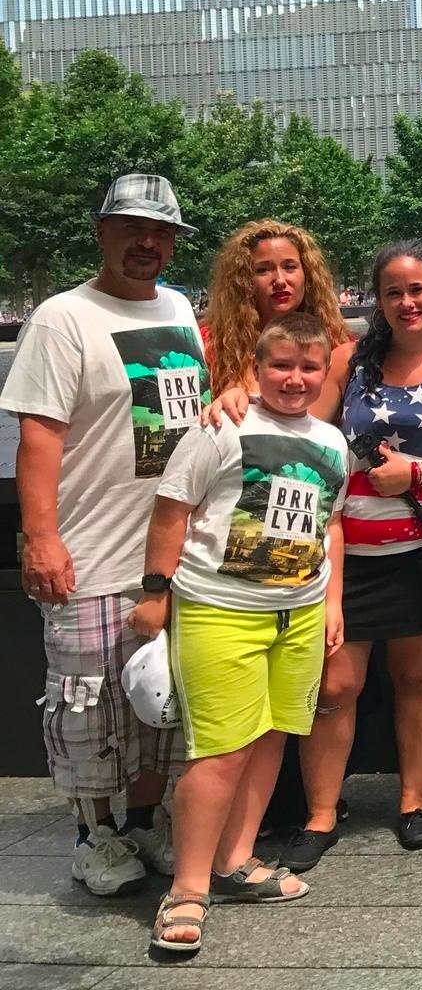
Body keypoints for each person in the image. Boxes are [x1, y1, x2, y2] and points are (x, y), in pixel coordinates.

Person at [3, 175, 203, 896]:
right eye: (132, 228)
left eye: (161, 232)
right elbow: (39, 436)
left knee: (158, 704)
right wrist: (40, 537)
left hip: (171, 556)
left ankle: (145, 820)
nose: (147, 243)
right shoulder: (63, 317)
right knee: (87, 706)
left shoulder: (179, 308)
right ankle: (94, 835)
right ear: (102, 232)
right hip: (90, 550)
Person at [133, 312, 348, 955]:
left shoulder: (332, 441)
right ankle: (188, 888)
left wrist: (332, 603)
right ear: (256, 368)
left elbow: (330, 524)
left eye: (309, 367)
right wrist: (155, 592)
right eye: (281, 365)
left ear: (324, 372)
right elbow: (172, 510)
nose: (295, 378)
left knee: (271, 736)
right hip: (221, 608)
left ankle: (236, 860)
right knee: (220, 751)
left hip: (299, 611)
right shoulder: (220, 426)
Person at [281, 241, 422, 871]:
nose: (407, 302)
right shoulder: (348, 359)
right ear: (377, 300)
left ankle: (414, 799)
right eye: (393, 292)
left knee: (419, 677)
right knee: (335, 684)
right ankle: (321, 812)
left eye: (418, 289)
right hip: (347, 550)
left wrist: (416, 473)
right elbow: (305, 432)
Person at [201, 221, 351, 403]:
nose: (279, 280)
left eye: (290, 267)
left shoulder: (340, 345)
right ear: (244, 281)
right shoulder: (210, 345)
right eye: (263, 270)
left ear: (308, 275)